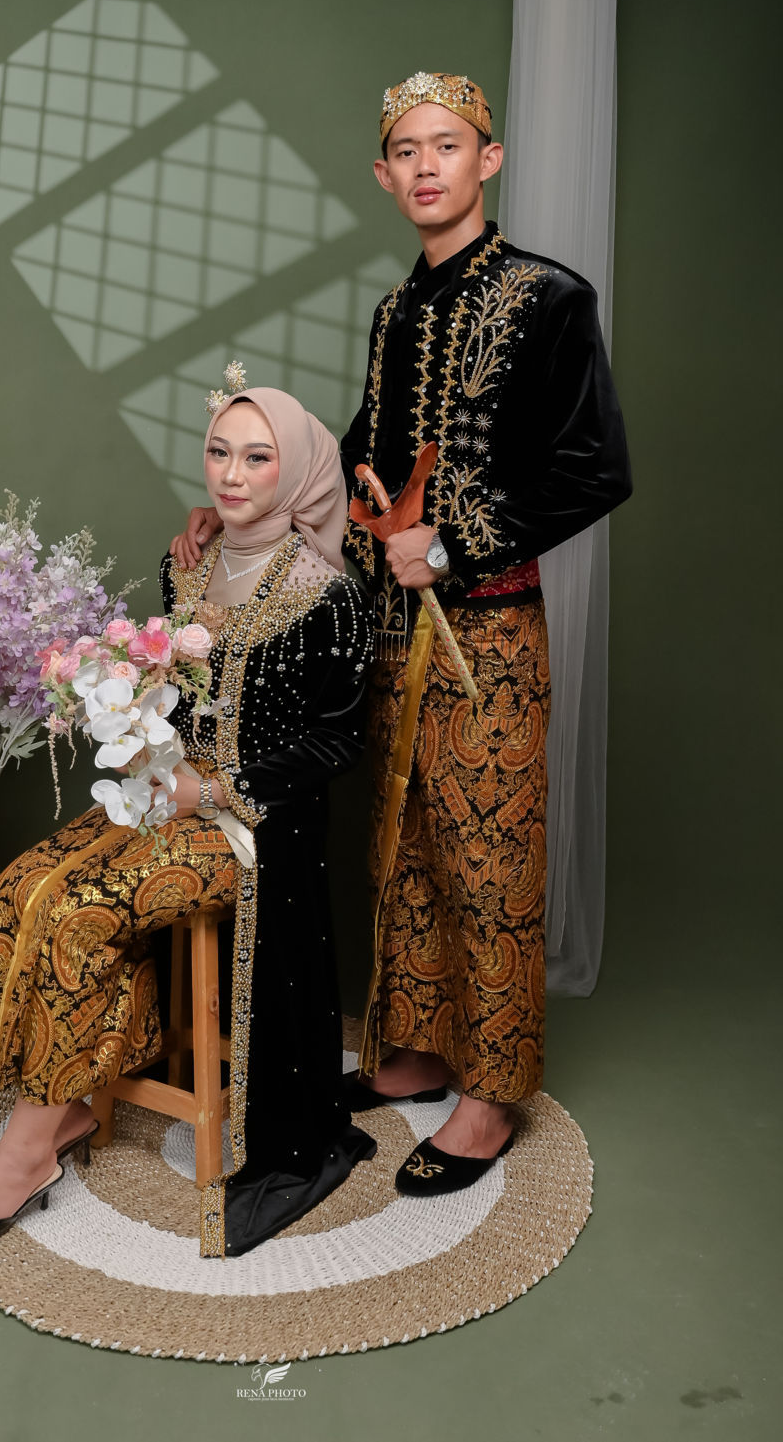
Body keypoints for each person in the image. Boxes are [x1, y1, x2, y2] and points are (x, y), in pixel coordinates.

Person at [172, 72, 631, 1199]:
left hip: (487, 632)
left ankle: (493, 1090)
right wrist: (249, 504)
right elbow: (359, 451)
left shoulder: (548, 296)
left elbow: (594, 468)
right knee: (409, 841)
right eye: (407, 152)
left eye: (448, 145)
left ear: (489, 159)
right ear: (384, 176)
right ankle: (421, 1047)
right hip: (387, 624)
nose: (428, 166)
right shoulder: (396, 312)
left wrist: (456, 544)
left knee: (487, 853)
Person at [0, 385, 376, 1259]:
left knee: (79, 906)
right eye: (219, 452)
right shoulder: (188, 565)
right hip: (160, 796)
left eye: (257, 457)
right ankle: (61, 1107)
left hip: (253, 828)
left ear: (296, 471)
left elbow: (337, 741)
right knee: (22, 884)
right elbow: (170, 692)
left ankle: (24, 1154)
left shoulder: (330, 596)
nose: (231, 474)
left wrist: (218, 789)